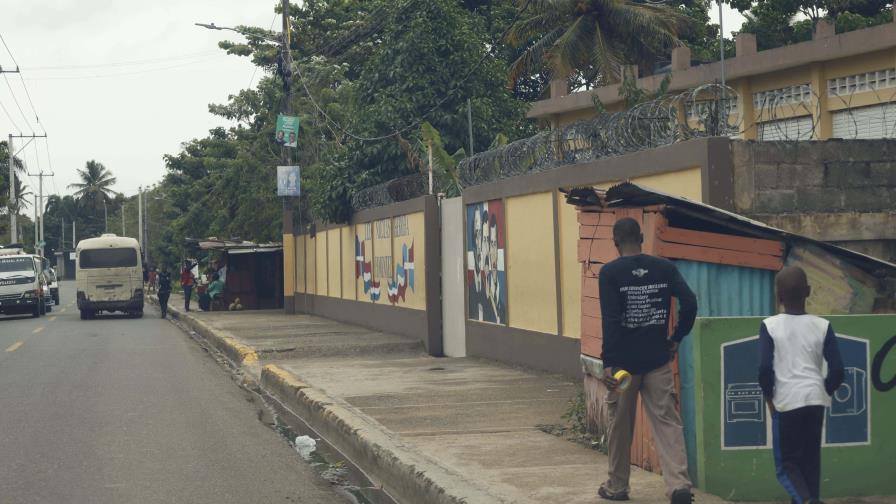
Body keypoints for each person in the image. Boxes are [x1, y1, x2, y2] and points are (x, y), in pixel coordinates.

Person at [597, 217, 698, 504]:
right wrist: (676, 337)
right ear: (641, 237)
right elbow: (689, 302)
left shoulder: (610, 273)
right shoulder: (664, 268)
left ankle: (617, 487)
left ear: (616, 243)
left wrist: (609, 363)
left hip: (623, 368)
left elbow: (611, 320)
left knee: (620, 425)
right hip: (657, 360)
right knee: (667, 423)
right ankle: (679, 487)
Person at [758, 266, 844, 504]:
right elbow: (837, 370)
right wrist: (823, 389)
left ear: (779, 296)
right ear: (809, 291)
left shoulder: (770, 326)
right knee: (809, 464)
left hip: (786, 403)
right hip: (815, 401)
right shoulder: (822, 326)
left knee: (786, 466)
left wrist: (769, 397)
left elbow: (765, 368)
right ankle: (810, 499)